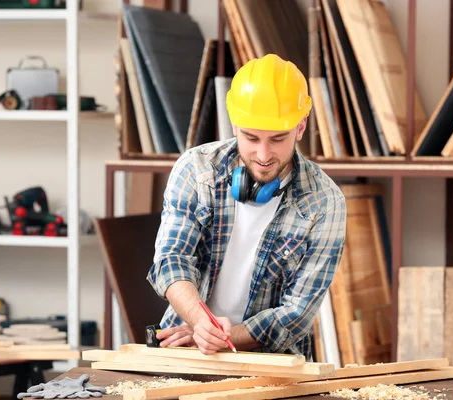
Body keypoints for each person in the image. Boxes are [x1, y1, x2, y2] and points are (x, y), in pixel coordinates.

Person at [147, 53, 347, 361]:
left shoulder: (325, 203)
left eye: (278, 139)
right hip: (185, 345)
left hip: (271, 361)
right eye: (251, 137)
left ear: (301, 127)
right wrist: (201, 323)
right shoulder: (197, 170)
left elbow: (297, 314)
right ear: (234, 125)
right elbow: (172, 260)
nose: (264, 154)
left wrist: (222, 337)